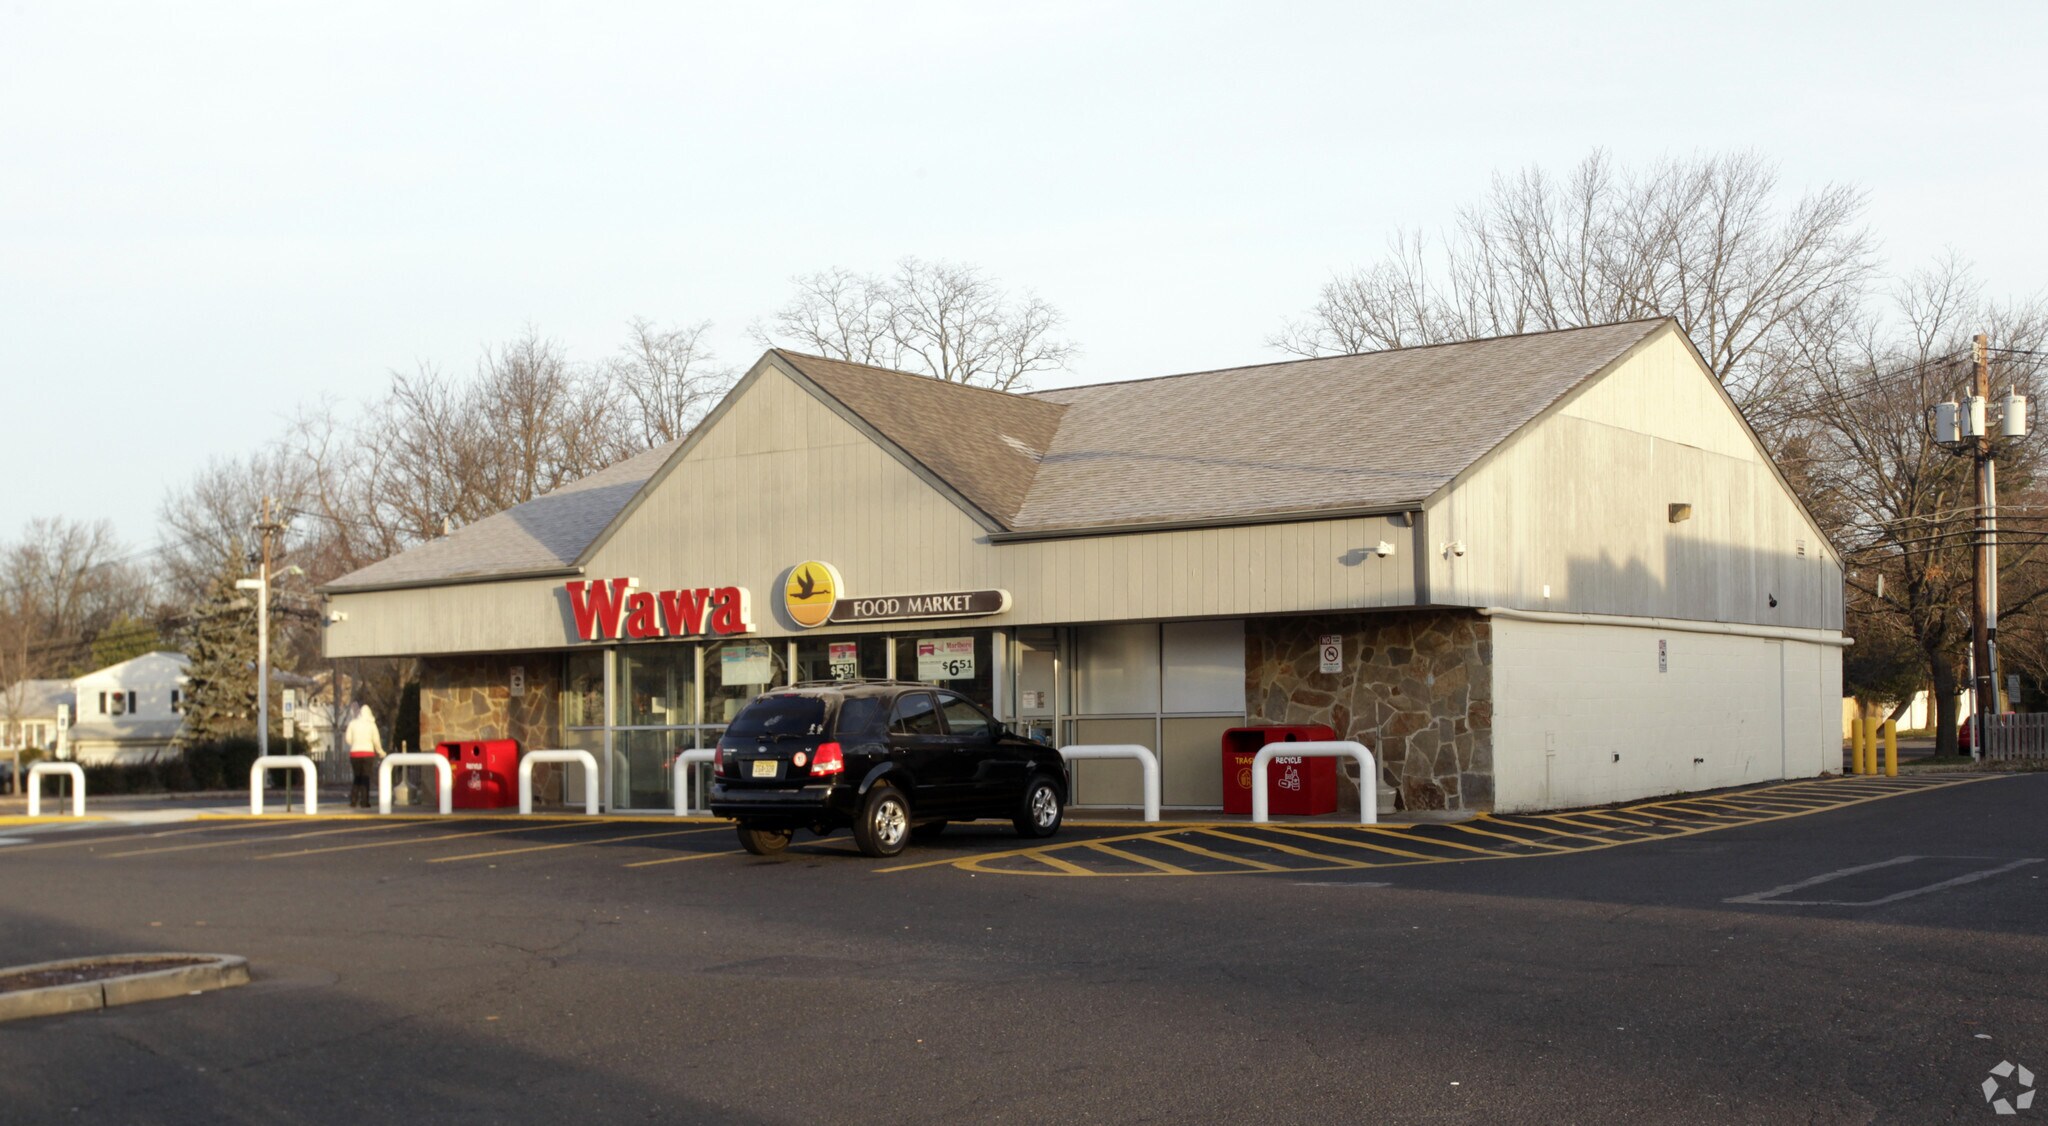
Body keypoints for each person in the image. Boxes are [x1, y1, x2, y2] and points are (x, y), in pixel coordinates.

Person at [345, 703, 385, 808]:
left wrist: (355, 743)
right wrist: (381, 752)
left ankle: (353, 801)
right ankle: (364, 801)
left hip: (355, 753)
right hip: (368, 753)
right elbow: (376, 741)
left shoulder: (352, 724)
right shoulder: (372, 725)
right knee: (365, 778)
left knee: (357, 777)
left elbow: (348, 739)